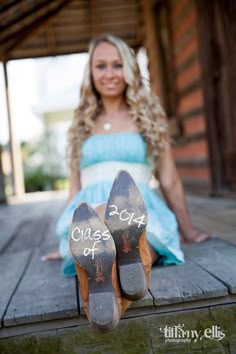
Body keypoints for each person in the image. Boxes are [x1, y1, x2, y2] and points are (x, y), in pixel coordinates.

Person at [42, 34, 212, 330]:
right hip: (89, 211)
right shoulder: (80, 124)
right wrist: (65, 234)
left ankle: (106, 279)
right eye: (101, 66)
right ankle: (121, 266)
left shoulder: (147, 119)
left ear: (130, 71)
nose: (109, 74)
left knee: (124, 219)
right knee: (97, 221)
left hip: (137, 205)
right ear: (91, 73)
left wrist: (189, 230)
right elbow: (75, 186)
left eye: (118, 65)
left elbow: (170, 180)